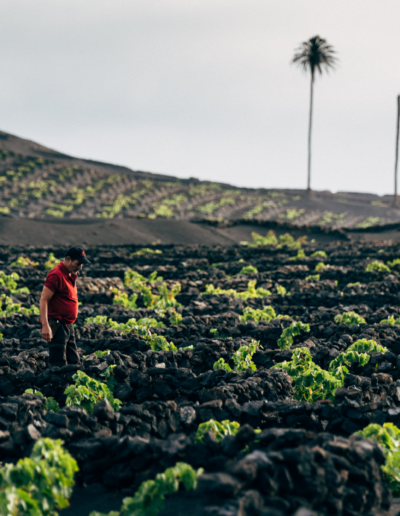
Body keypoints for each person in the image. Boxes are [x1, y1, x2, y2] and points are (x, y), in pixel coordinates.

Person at [40, 246, 90, 367]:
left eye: (82, 264)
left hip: (68, 325)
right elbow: (43, 300)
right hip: (57, 325)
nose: (80, 268)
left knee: (73, 360)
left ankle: (70, 384)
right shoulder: (56, 275)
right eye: (78, 264)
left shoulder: (69, 274)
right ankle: (57, 385)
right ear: (68, 259)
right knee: (58, 363)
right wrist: (45, 326)